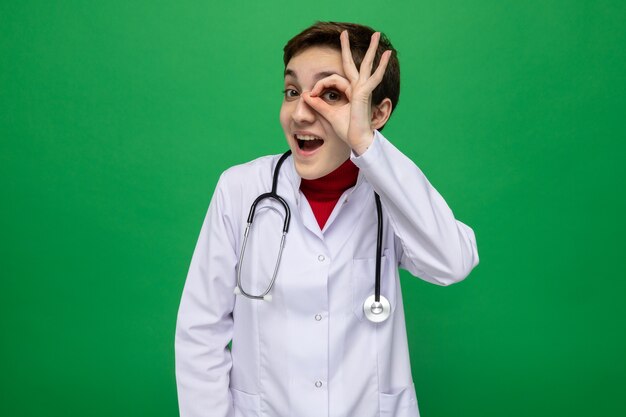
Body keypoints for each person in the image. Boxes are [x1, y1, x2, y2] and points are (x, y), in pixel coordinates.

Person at [175, 21, 479, 417]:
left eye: (331, 94)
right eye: (292, 91)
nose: (301, 112)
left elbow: (452, 263)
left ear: (378, 113)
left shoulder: (394, 195)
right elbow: (201, 333)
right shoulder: (240, 190)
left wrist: (367, 145)